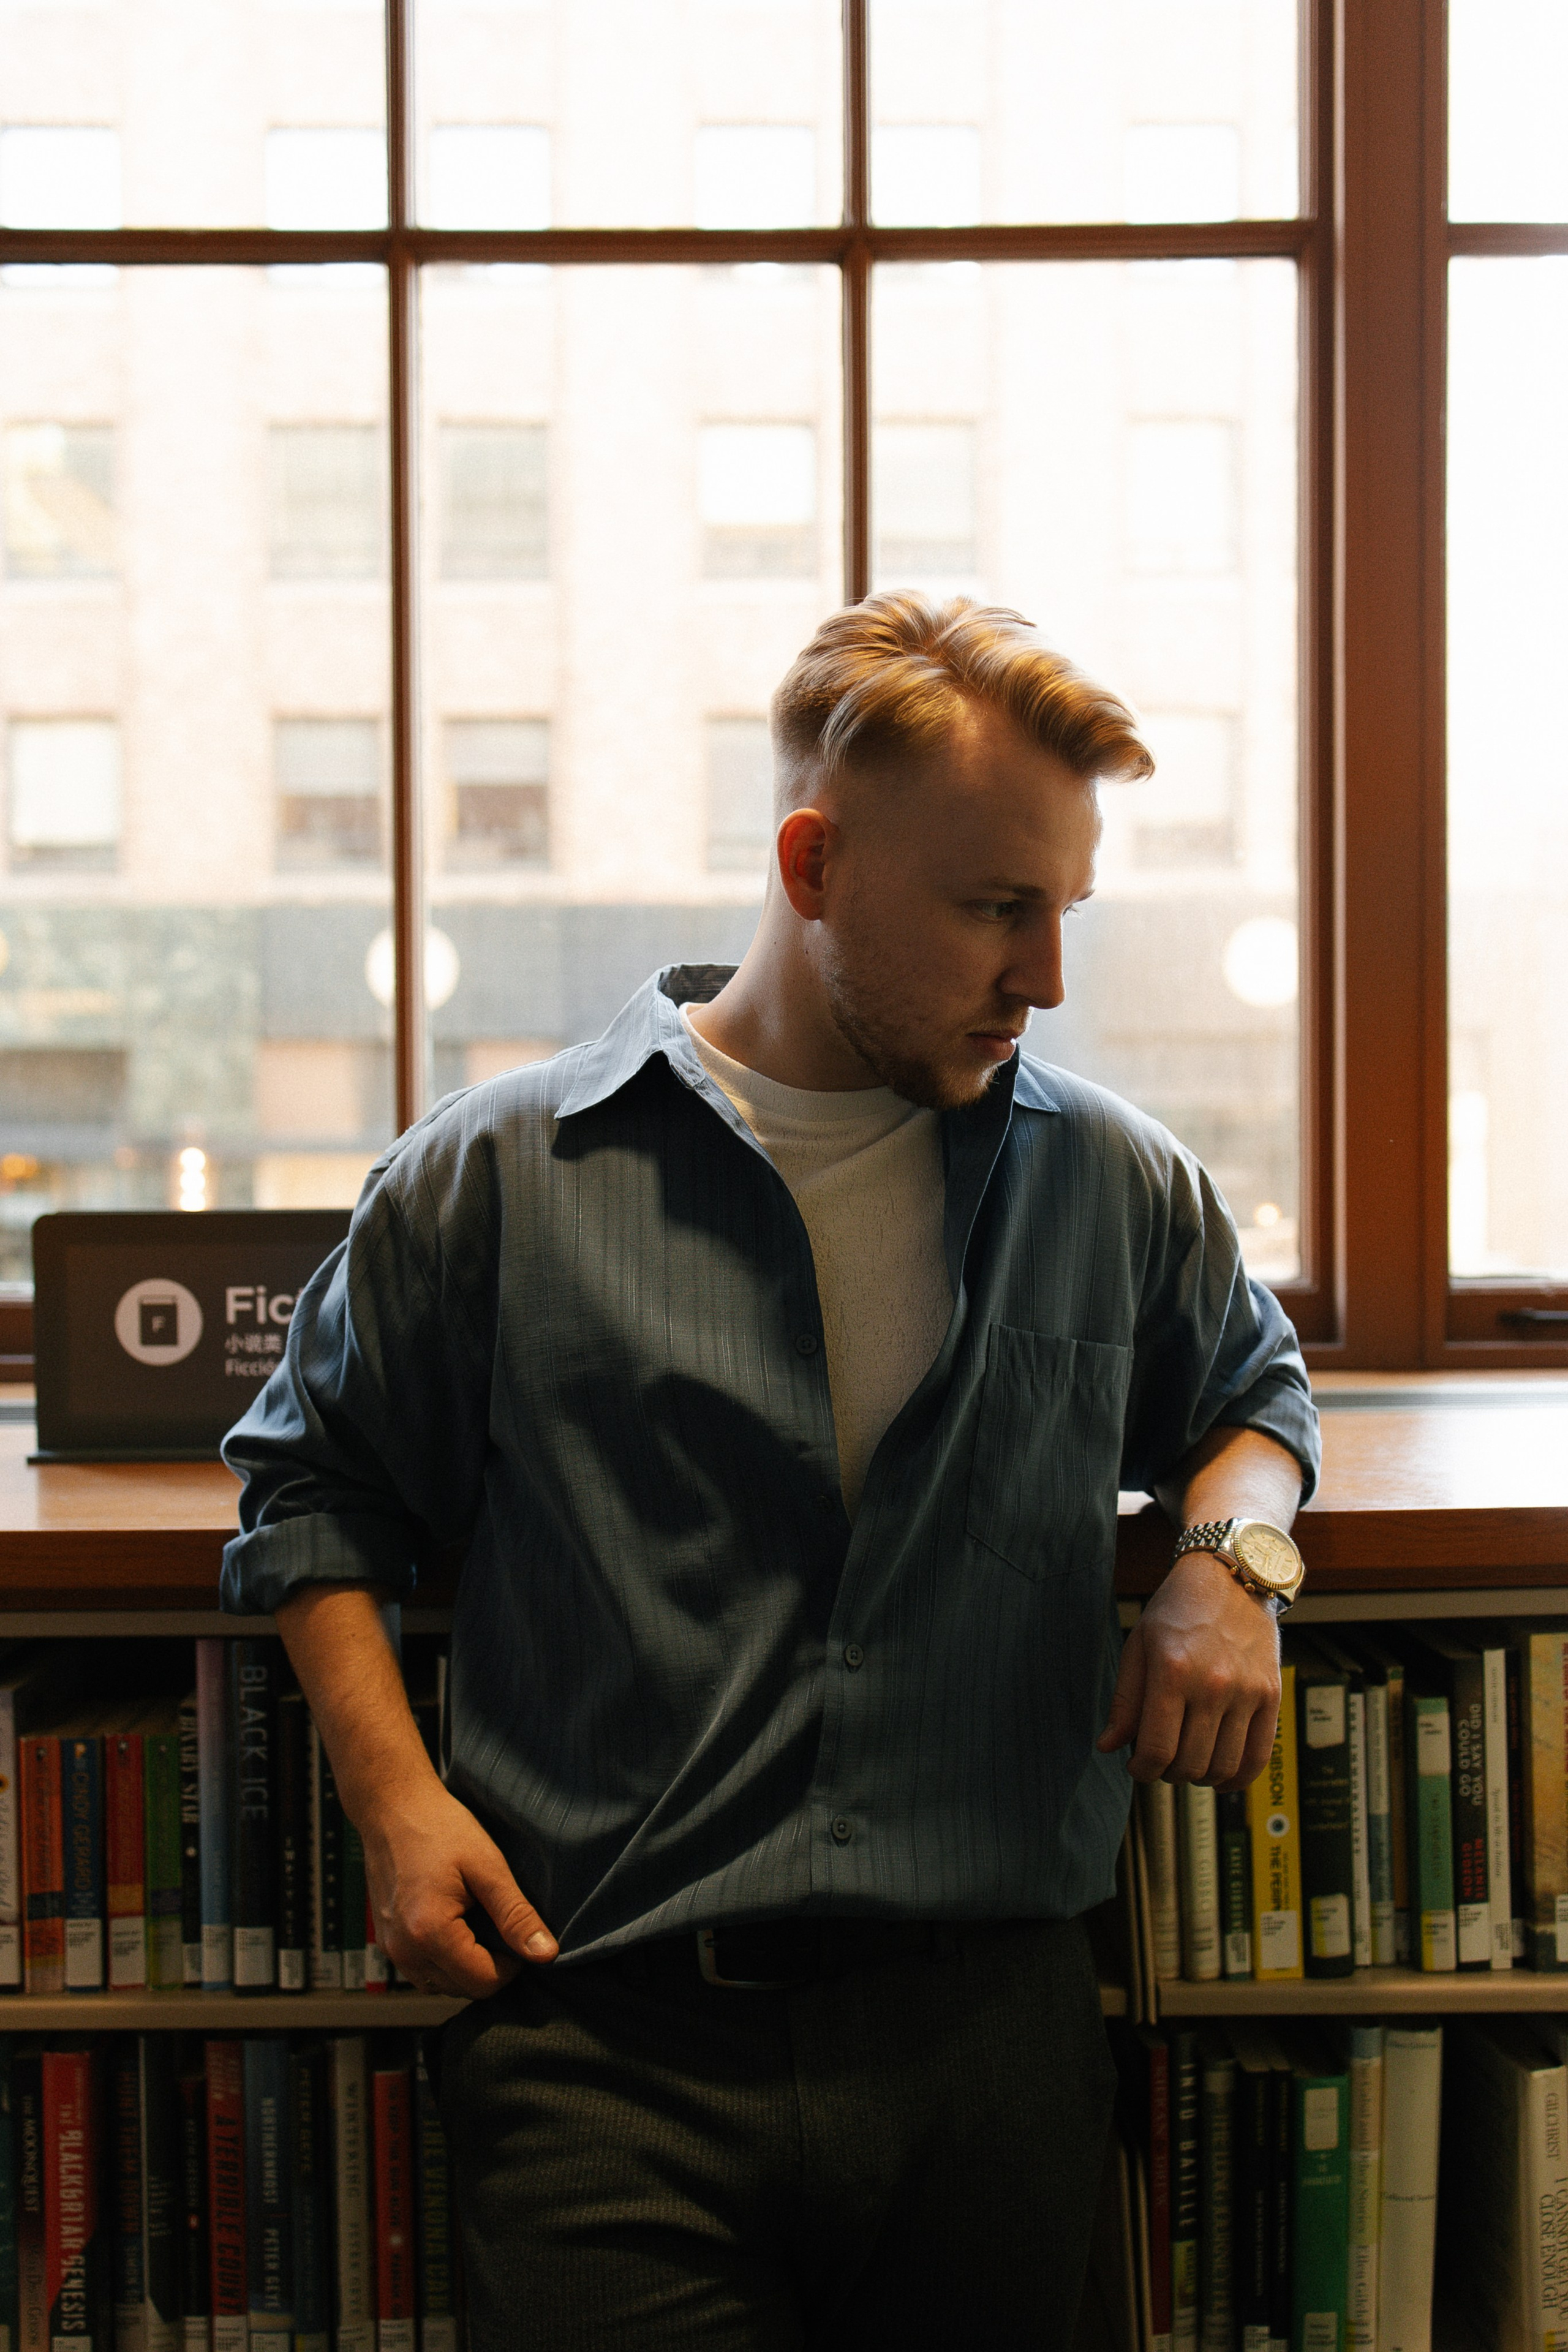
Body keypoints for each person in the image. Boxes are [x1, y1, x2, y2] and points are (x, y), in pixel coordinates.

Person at [222, 591, 1319, 2351]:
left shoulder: (1114, 1179)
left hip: (996, 2056)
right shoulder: (497, 1175)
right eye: (994, 909)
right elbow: (311, 1493)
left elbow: (1256, 1397)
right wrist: (392, 1801)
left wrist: (1230, 1563)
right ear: (815, 867)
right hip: (607, 2056)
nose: (1043, 976)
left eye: (1063, 914)